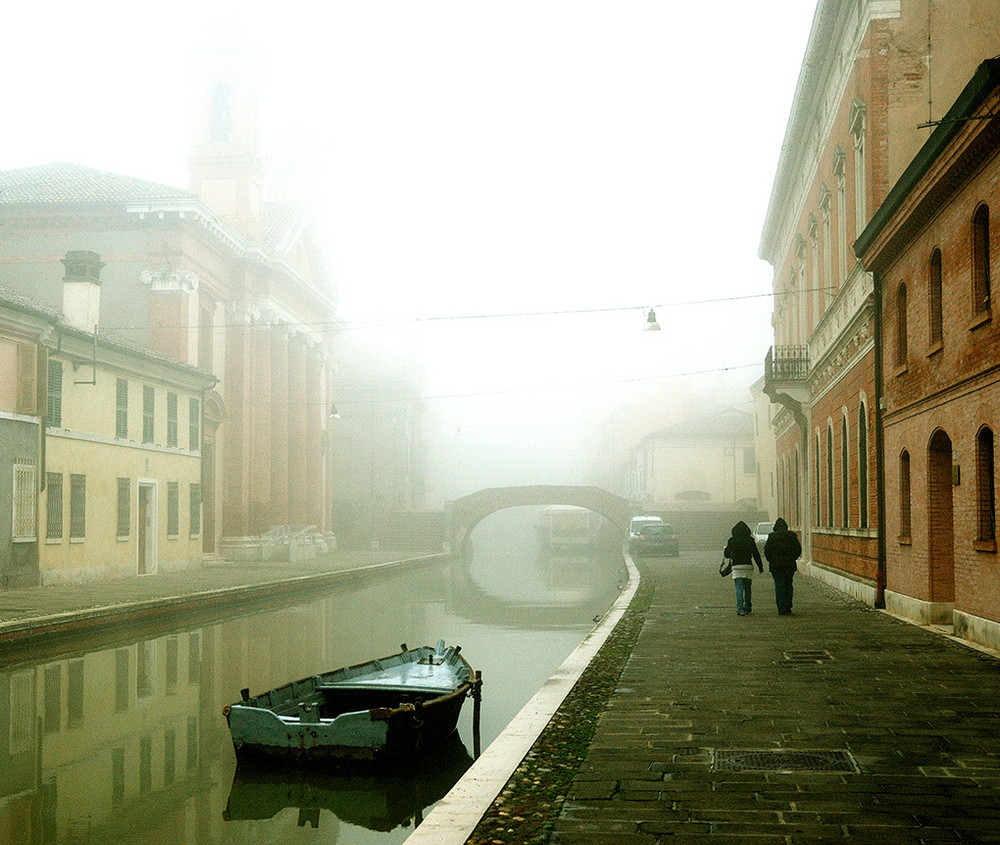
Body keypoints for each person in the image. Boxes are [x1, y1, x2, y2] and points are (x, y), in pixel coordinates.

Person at [723, 521, 763, 616]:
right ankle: (748, 606)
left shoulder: (732, 540)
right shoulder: (750, 540)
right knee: (747, 588)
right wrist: (760, 567)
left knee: (739, 588)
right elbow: (756, 554)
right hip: (748, 566)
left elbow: (727, 554)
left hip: (737, 567)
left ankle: (740, 608)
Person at [763, 517, 802, 615]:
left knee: (779, 585)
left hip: (776, 565)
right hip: (789, 564)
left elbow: (767, 551)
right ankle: (788, 605)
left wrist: (771, 560)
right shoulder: (792, 536)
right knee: (788, 584)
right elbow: (798, 550)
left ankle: (781, 608)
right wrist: (793, 558)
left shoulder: (772, 537)